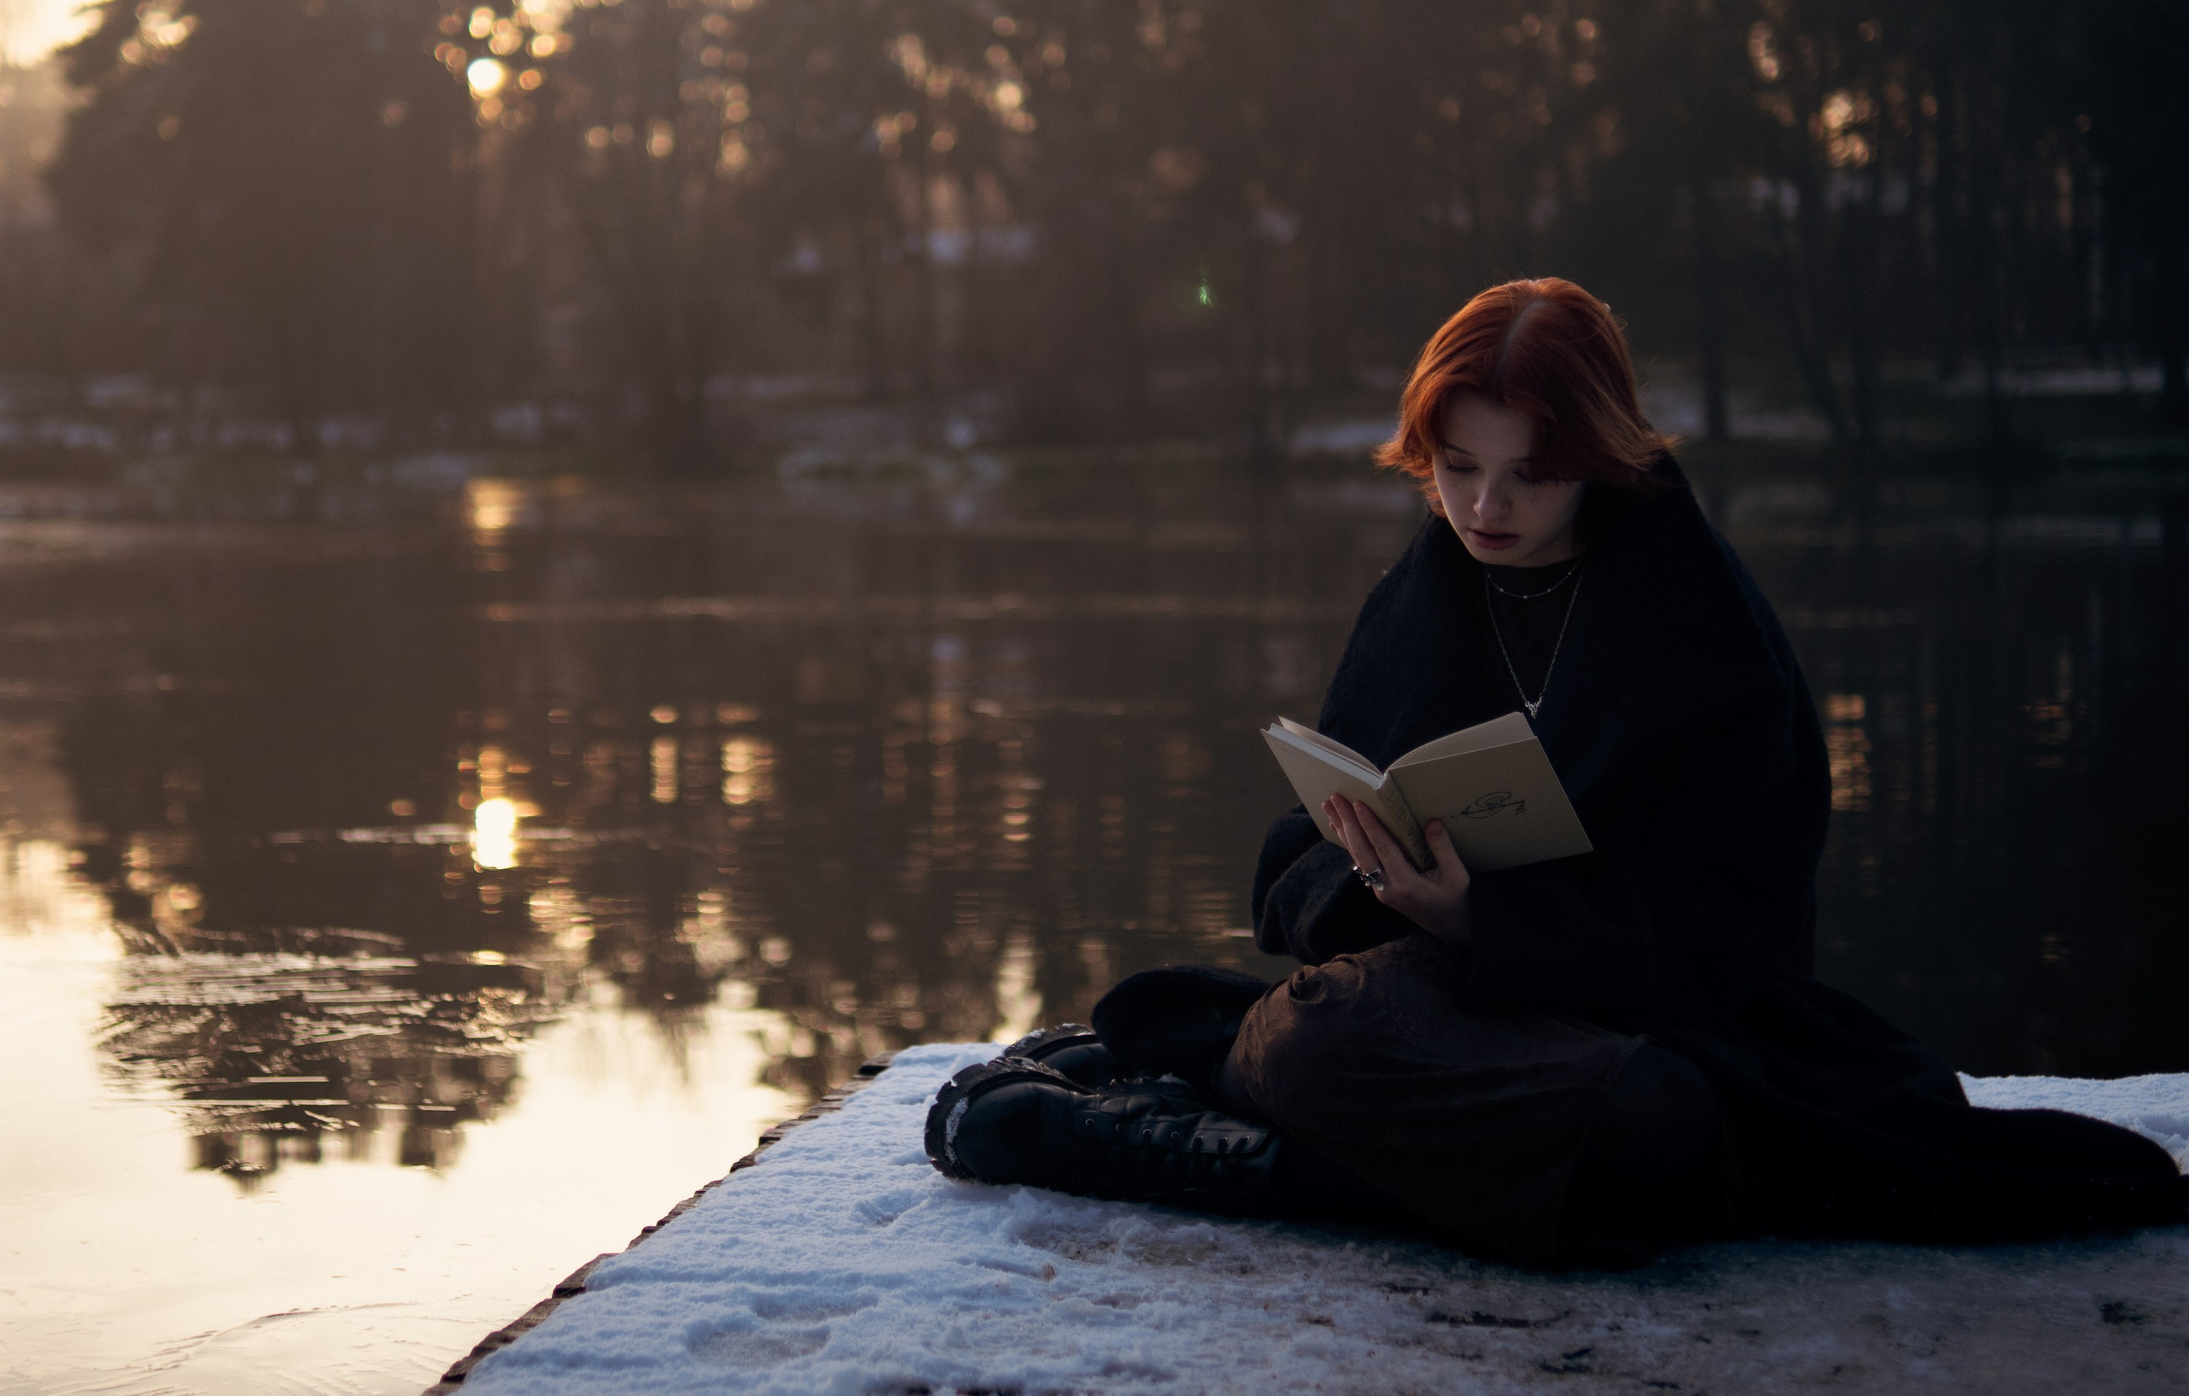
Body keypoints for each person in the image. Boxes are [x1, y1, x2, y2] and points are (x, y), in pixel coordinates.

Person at [926, 277, 2185, 1267]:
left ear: (1596, 454)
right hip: (1438, 1010)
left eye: (1528, 473)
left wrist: (1494, 920)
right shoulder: (1423, 593)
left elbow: (1737, 922)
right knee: (1337, 1034)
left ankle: (1197, 1137)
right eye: (1457, 468)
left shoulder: (1695, 625)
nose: (1483, 507)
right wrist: (1374, 875)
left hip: (1648, 1028)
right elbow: (1292, 863)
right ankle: (1236, 1116)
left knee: (1652, 1126)